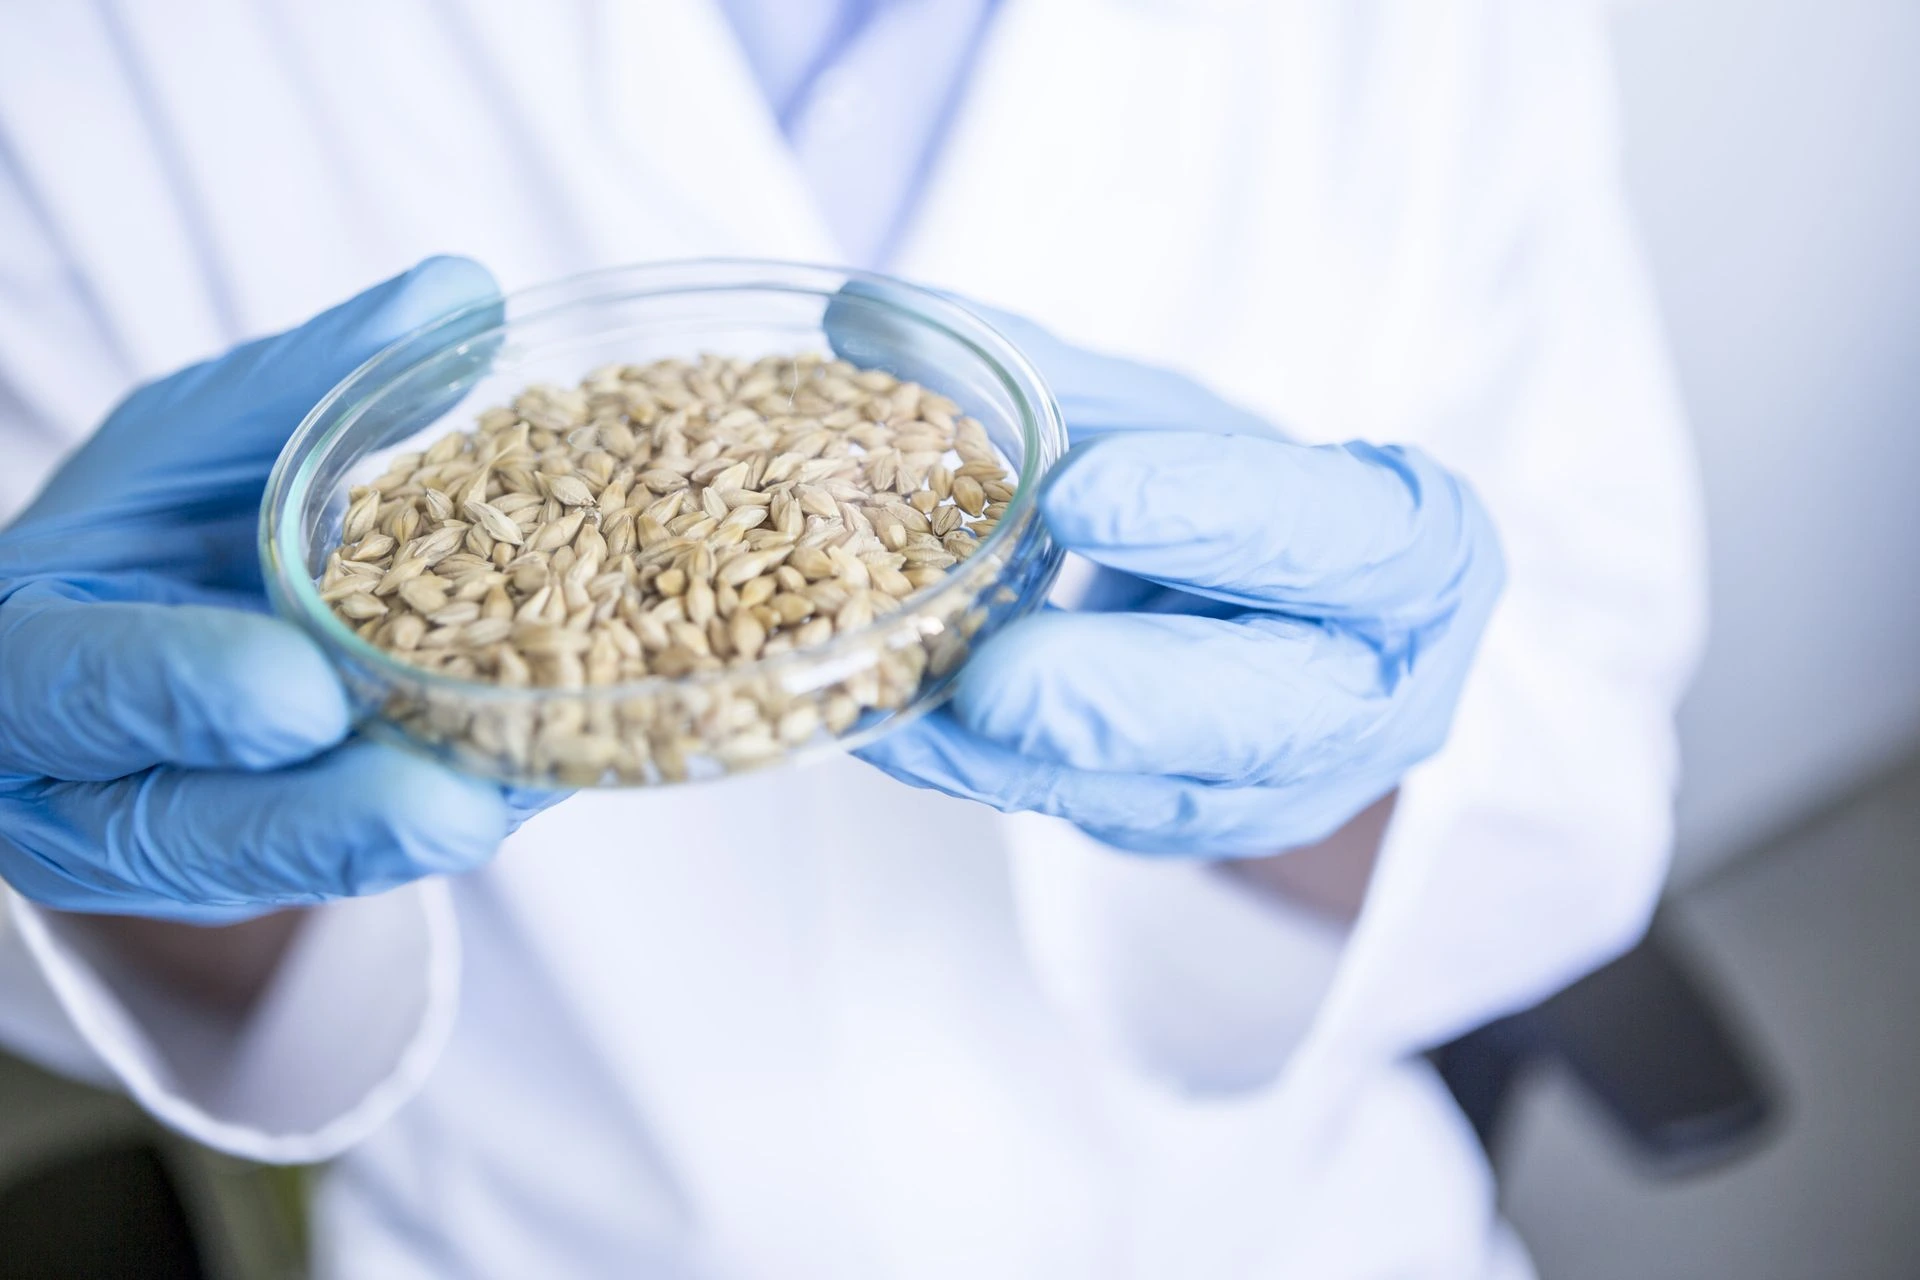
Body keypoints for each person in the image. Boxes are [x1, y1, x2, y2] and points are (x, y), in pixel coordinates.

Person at [0, 2, 1704, 1276]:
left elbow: (1579, 757)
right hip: (549, 1235)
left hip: (1280, 1225)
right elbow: (104, 906)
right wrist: (146, 844)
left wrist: (1318, 761)